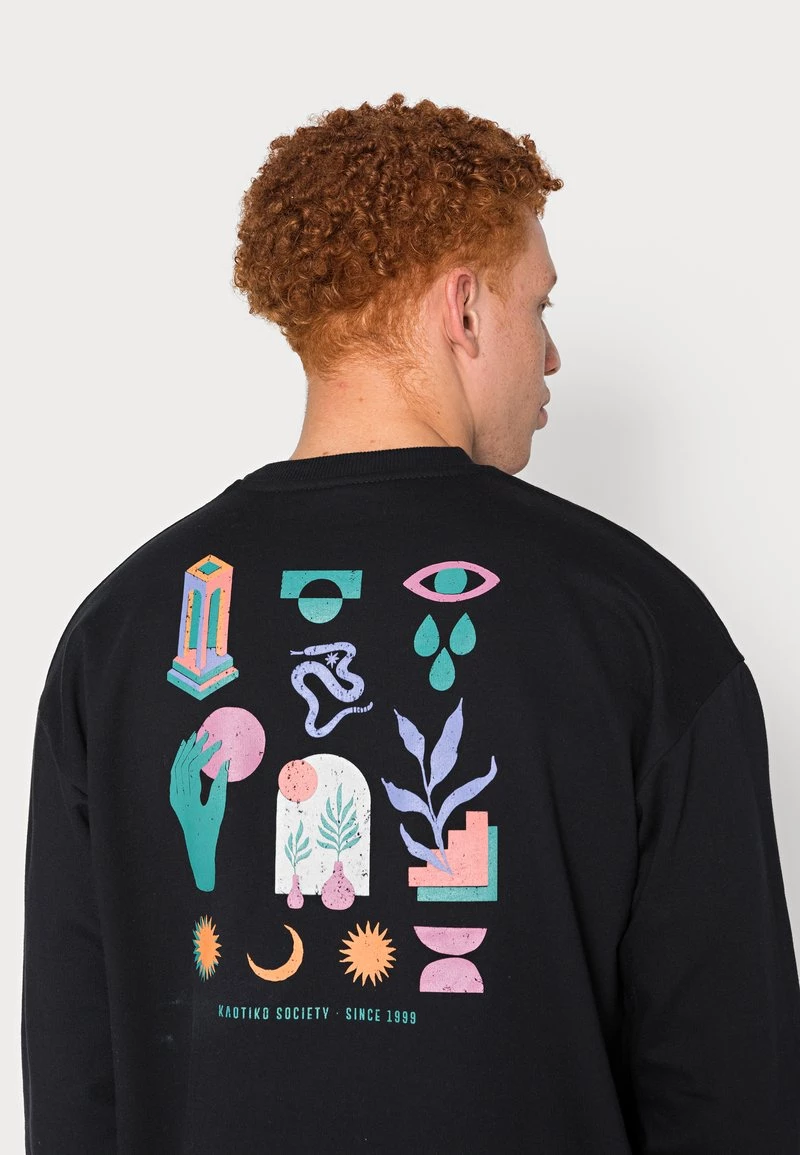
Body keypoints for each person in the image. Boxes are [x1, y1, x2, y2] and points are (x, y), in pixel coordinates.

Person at [21, 92, 800, 1154]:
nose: (552, 357)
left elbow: (78, 1082)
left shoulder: (119, 631)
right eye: (540, 307)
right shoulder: (636, 621)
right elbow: (730, 1085)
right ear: (463, 308)